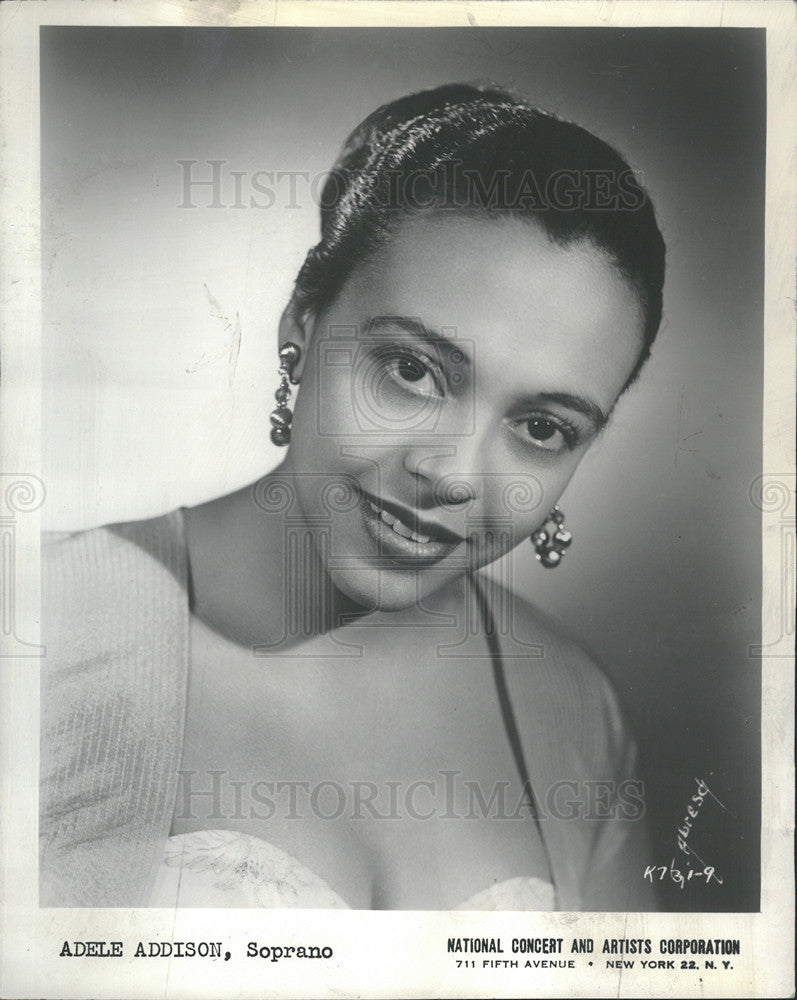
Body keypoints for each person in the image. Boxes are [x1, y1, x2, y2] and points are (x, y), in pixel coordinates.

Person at [40, 83, 666, 911]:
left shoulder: (574, 706)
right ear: (300, 320)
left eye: (543, 427)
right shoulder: (45, 627)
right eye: (411, 371)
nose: (452, 474)